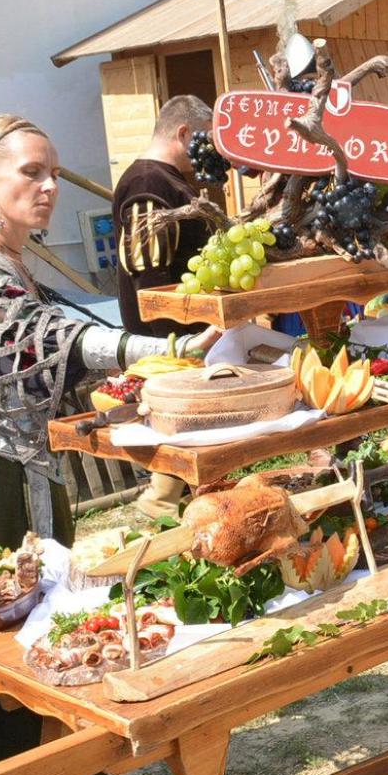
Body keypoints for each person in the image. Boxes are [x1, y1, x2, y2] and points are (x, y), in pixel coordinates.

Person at [0, 114, 217, 775]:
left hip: (27, 486)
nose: (49, 187)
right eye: (30, 172)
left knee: (46, 648)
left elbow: (47, 364)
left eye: (54, 172)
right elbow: (47, 334)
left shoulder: (14, 264)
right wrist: (150, 349)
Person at [113, 94, 213, 517]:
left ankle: (190, 504)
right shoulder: (148, 184)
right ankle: (159, 507)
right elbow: (147, 272)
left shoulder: (167, 180)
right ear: (183, 133)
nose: (206, 152)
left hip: (184, 333)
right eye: (202, 141)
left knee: (191, 425)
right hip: (168, 336)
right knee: (177, 423)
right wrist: (171, 347)